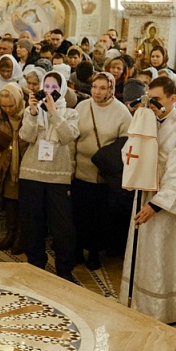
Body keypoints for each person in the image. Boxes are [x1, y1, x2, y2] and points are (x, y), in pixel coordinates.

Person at [120, 76, 176, 323]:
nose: (152, 105)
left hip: (168, 202)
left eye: (157, 99)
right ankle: (140, 301)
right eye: (149, 99)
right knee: (145, 251)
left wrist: (156, 205)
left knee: (168, 253)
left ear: (173, 99)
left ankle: (172, 308)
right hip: (144, 192)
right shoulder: (147, 121)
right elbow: (129, 151)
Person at [18, 71, 80, 280]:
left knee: (62, 226)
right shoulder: (31, 110)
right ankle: (35, 265)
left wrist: (53, 113)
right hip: (31, 173)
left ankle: (64, 269)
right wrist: (33, 112)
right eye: (46, 87)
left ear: (62, 89)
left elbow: (68, 136)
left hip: (58, 176)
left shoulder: (71, 113)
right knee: (32, 224)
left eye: (54, 87)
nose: (49, 91)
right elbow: (26, 136)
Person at [73, 72, 131, 269]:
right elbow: (73, 138)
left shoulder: (121, 112)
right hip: (81, 171)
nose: (97, 92)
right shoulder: (82, 107)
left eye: (102, 88)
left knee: (98, 217)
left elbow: (126, 142)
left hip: (103, 174)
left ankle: (94, 253)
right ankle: (78, 250)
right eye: (94, 87)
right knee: (79, 213)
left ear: (111, 89)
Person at [0, 82, 29, 255]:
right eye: (4, 106)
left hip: (26, 160)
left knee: (24, 199)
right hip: (7, 162)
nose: (8, 110)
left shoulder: (29, 111)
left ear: (18, 101)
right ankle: (10, 233)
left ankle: (21, 235)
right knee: (9, 197)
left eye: (11, 106)